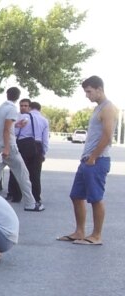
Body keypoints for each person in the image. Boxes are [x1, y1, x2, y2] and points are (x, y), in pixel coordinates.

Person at [57, 75, 115, 245]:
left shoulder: (108, 108)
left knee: (95, 198)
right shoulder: (97, 108)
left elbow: (108, 135)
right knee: (76, 196)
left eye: (89, 91)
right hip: (87, 160)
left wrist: (94, 157)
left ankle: (96, 236)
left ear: (99, 89)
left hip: (97, 160)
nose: (87, 95)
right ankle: (79, 232)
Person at [0, 87, 44, 212]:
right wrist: (7, 148)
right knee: (23, 175)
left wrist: (16, 125)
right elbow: (7, 129)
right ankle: (30, 203)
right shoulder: (12, 109)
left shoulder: (1, 108)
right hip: (9, 148)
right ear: (18, 97)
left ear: (7, 95)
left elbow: (3, 126)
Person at [8, 99, 50, 204]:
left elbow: (14, 132)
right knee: (35, 173)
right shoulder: (44, 120)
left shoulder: (22, 117)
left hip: (23, 144)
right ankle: (36, 197)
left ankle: (16, 196)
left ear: (30, 107)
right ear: (39, 110)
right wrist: (44, 152)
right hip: (37, 146)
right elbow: (45, 139)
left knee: (18, 171)